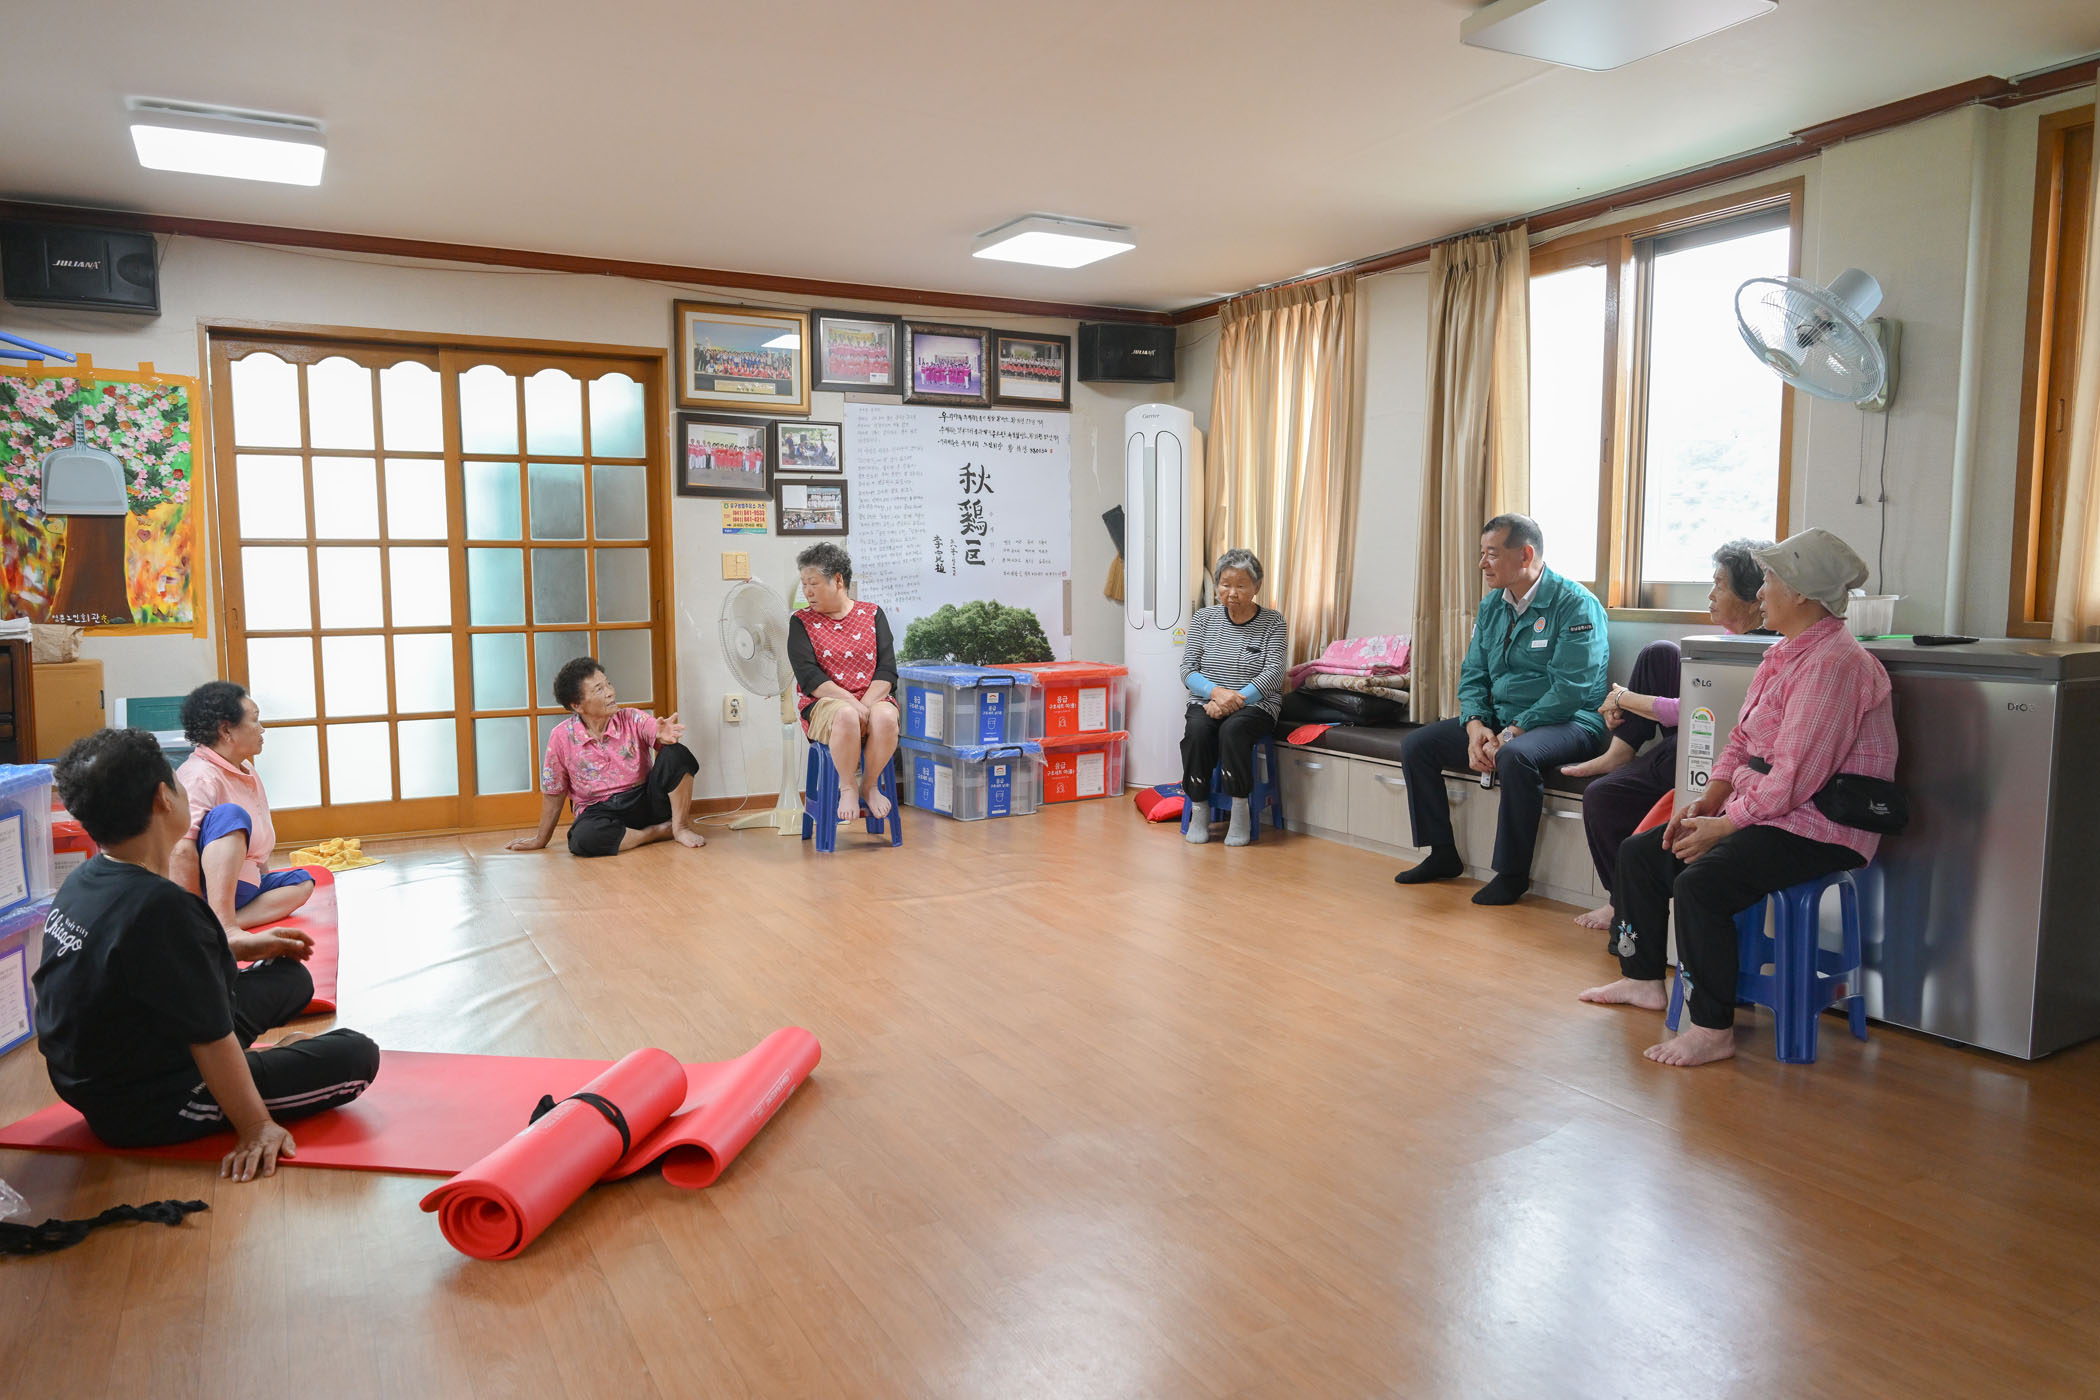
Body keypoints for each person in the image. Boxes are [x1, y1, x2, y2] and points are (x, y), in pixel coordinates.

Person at [1579, 528, 1897, 1068]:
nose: (1761, 590)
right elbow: (1740, 741)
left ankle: (1712, 1028)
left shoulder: (1835, 664)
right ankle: (1642, 979)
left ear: (1801, 593)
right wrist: (1710, 802)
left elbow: (1794, 776)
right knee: (1642, 854)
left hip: (1821, 827)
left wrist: (1727, 826)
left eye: (1770, 579)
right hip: (1773, 814)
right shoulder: (1785, 653)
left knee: (1701, 883)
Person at [33, 728, 380, 1179]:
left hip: (119, 1058)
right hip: (147, 1102)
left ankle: (265, 1058)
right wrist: (256, 1126)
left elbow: (137, 967)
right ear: (164, 798)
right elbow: (210, 1039)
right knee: (357, 1056)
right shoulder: (161, 907)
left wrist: (235, 944)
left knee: (292, 977)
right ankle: (254, 1077)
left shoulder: (85, 879)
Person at [1395, 513, 1611, 904]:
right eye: (1482, 553)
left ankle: (1512, 875)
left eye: (1492, 554)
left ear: (1525, 554)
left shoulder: (1576, 605)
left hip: (1572, 722)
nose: (1482, 563)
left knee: (1515, 755)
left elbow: (1571, 689)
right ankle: (1441, 853)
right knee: (1418, 745)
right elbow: (1473, 672)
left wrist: (1512, 732)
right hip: (1504, 718)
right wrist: (1475, 724)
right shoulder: (1493, 606)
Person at [1563, 539, 1773, 930]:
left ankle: (1620, 902)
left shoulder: (1759, 650)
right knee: (1660, 652)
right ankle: (1619, 752)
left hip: (1715, 751)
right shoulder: (1726, 642)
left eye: (1719, 585)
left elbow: (1695, 711)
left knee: (1602, 796)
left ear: (1751, 597)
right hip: (1695, 734)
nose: (1710, 595)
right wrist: (1627, 703)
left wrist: (1622, 698)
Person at [509, 658, 704, 856]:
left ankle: (680, 828)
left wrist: (661, 734)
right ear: (577, 705)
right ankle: (656, 833)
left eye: (608, 684)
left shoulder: (631, 717)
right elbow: (554, 793)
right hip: (600, 810)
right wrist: (541, 839)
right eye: (599, 689)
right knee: (582, 839)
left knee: (676, 753)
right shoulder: (561, 736)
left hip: (646, 800)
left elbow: (652, 729)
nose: (610, 692)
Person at [167, 681, 314, 939]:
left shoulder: (245, 768)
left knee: (303, 882)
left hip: (245, 885)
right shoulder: (199, 776)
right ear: (226, 730)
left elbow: (257, 841)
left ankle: (224, 924)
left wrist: (263, 880)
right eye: (255, 720)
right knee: (230, 815)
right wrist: (193, 914)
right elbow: (180, 850)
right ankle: (220, 923)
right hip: (208, 891)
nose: (262, 729)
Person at [1180, 548, 1288, 847]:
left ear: (1257, 586)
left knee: (1233, 730)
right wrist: (1216, 694)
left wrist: (1233, 700)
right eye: (1225, 584)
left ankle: (1240, 810)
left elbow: (1274, 674)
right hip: (1207, 702)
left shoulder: (1273, 622)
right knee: (1197, 730)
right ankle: (1199, 808)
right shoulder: (1204, 618)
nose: (1232, 592)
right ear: (1217, 586)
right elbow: (1187, 669)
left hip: (1257, 704)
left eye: (1241, 585)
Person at [788, 542, 901, 823]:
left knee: (886, 717)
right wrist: (852, 703)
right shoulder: (801, 622)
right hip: (824, 704)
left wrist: (866, 704)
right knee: (847, 715)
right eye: (804, 584)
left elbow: (887, 671)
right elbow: (809, 677)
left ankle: (870, 785)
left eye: (813, 583)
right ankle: (847, 786)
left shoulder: (873, 614)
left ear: (838, 580)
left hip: (872, 698)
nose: (807, 591)